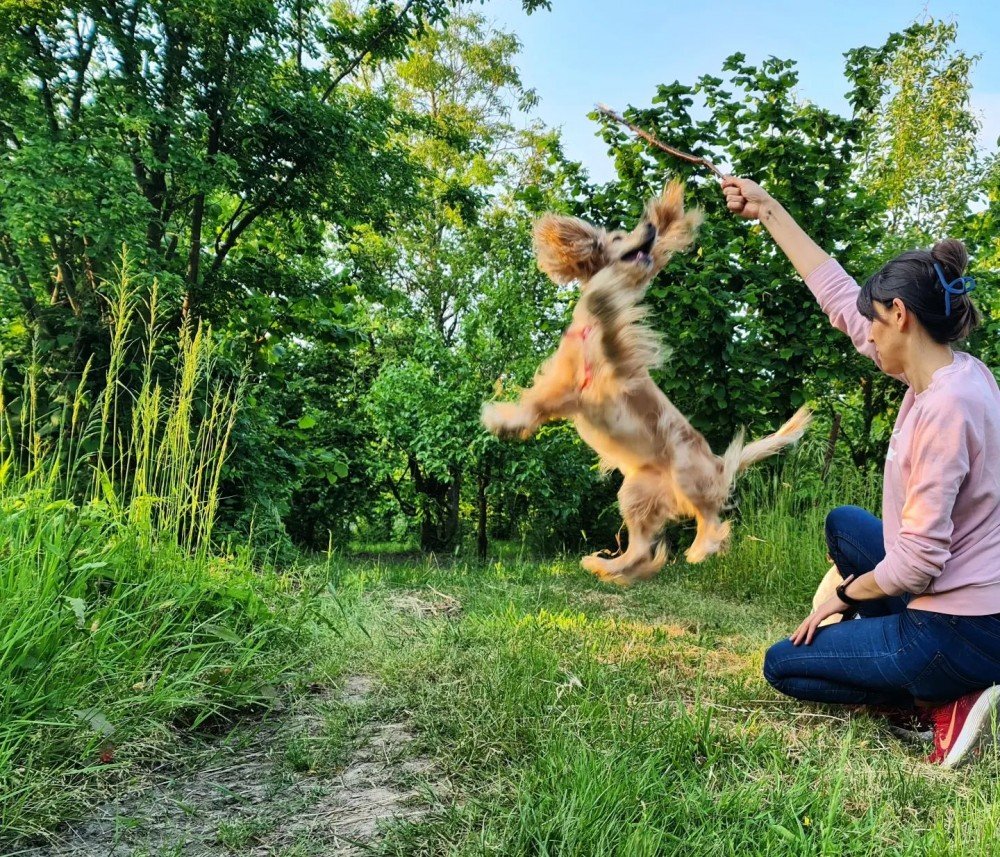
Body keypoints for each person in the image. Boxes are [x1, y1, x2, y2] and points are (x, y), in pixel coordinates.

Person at [721, 175, 1000, 768]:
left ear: (899, 315)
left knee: (783, 663)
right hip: (964, 593)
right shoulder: (950, 372)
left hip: (962, 627)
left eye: (874, 320)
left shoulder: (949, 407)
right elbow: (836, 295)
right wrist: (768, 208)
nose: (864, 331)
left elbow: (917, 564)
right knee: (845, 524)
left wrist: (842, 597)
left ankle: (936, 698)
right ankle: (921, 667)